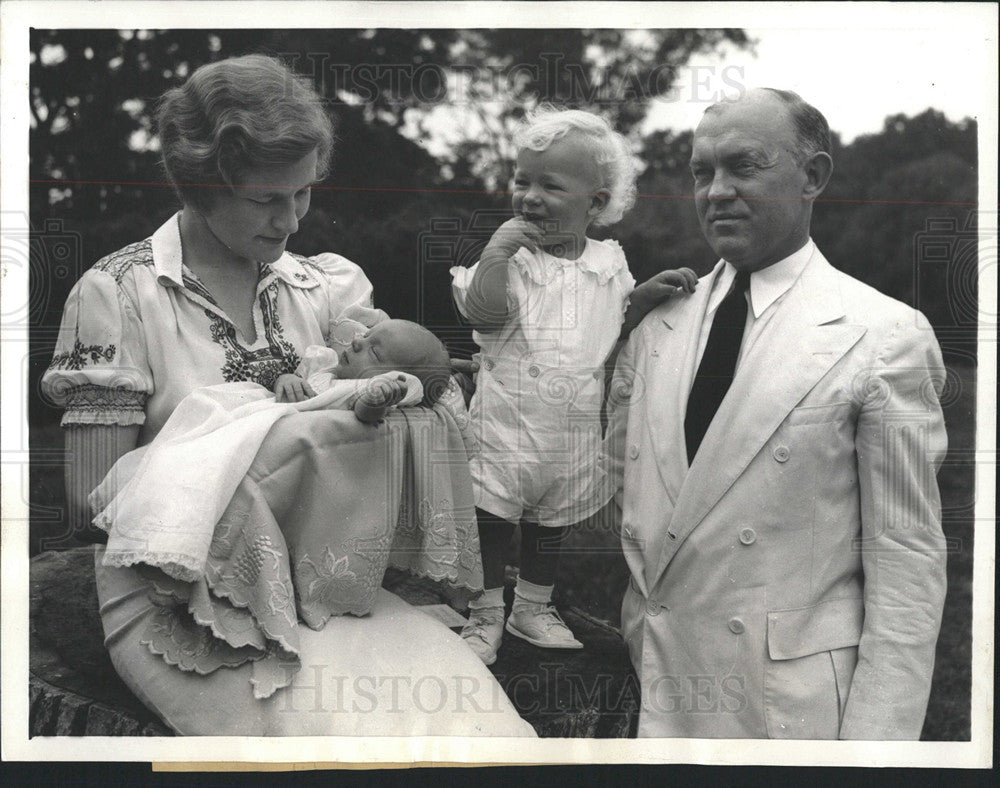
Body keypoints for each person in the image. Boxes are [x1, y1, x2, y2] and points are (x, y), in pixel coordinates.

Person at [41, 54, 534, 736]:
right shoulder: (120, 292)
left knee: (473, 725)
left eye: (302, 194)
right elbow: (92, 496)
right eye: (267, 199)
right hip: (183, 597)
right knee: (341, 738)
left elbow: (401, 400)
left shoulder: (323, 286)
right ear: (200, 185)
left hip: (328, 577)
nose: (293, 220)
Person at [603, 88, 949, 739]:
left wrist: (875, 753)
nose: (716, 192)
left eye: (744, 166)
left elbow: (907, 563)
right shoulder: (657, 326)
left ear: (812, 176)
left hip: (787, 721)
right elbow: (624, 497)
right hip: (654, 697)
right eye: (702, 173)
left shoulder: (882, 335)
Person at [450, 107, 696, 665]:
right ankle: (485, 612)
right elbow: (486, 316)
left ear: (596, 201)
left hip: (571, 426)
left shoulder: (608, 264)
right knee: (492, 519)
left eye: (550, 186)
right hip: (507, 420)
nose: (530, 197)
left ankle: (532, 607)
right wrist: (495, 252)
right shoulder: (515, 261)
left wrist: (649, 293)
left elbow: (618, 320)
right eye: (522, 182)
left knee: (550, 523)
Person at [274, 318, 453, 422]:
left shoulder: (364, 389)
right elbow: (289, 386)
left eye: (374, 352)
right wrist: (287, 380)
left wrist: (375, 403)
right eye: (366, 335)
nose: (357, 342)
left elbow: (365, 415)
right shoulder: (324, 366)